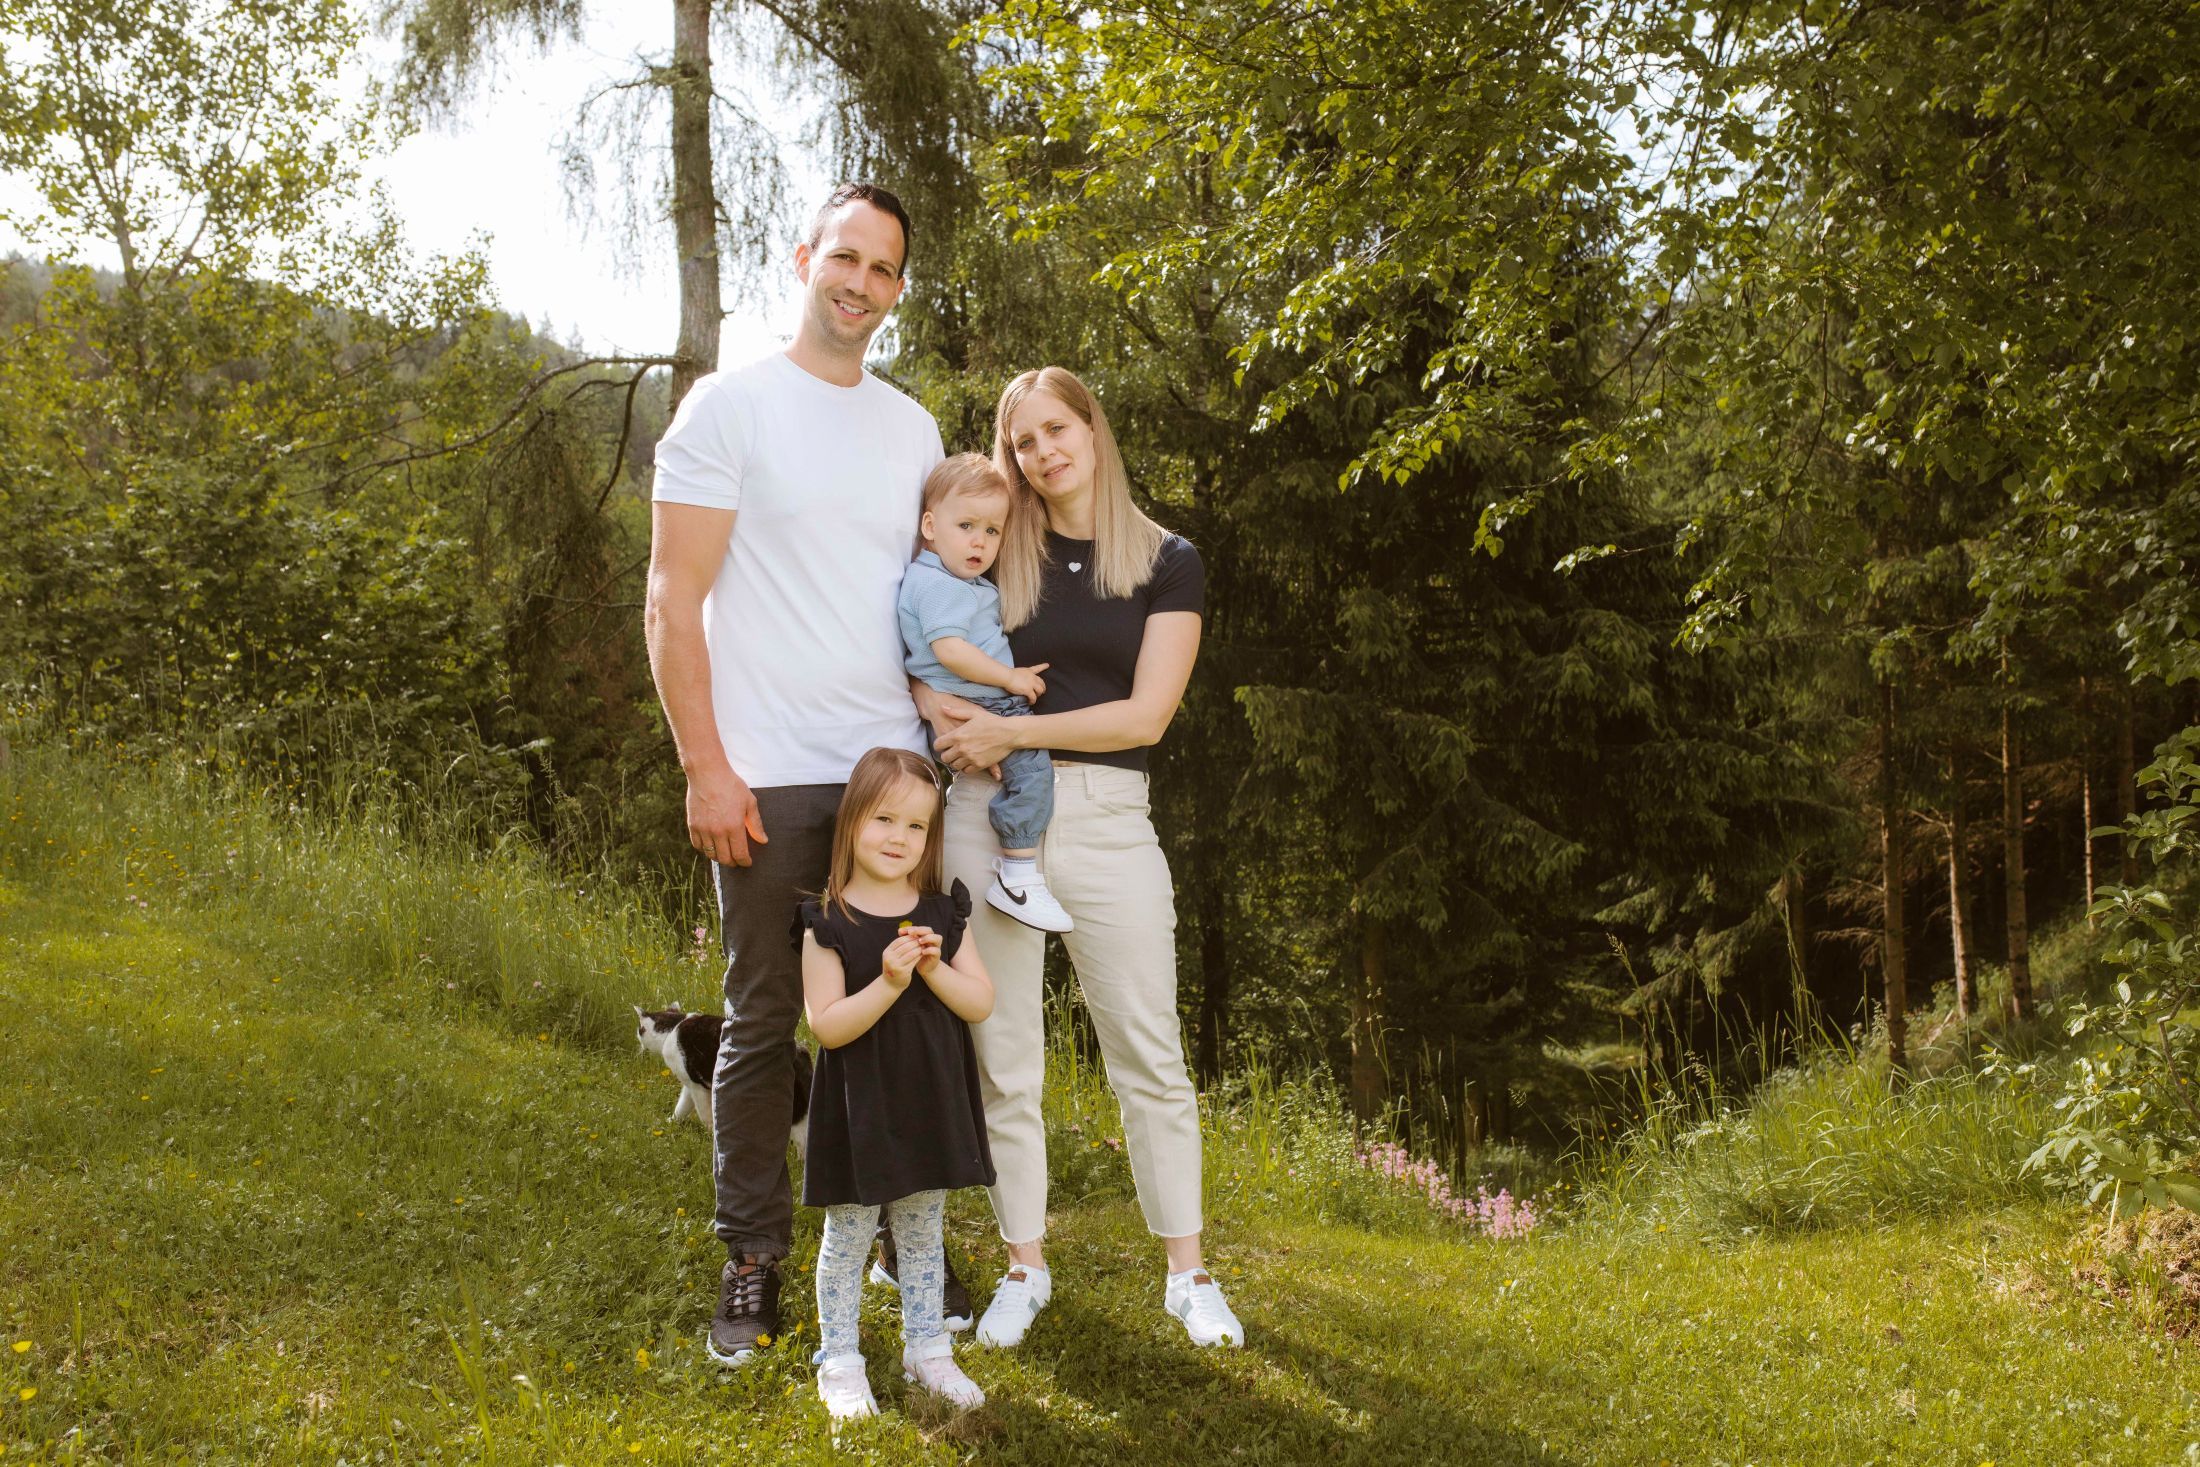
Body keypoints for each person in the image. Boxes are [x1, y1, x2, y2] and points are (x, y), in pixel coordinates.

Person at [644, 181, 974, 1366]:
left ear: (895, 289)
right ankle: (752, 1259)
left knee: (895, 1009)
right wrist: (705, 766)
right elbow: (672, 596)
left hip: (888, 773)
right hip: (770, 772)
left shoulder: (914, 429)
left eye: (884, 270)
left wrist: (948, 716)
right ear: (804, 259)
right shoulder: (726, 409)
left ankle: (894, 1239)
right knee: (766, 1019)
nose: (861, 284)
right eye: (845, 257)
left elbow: (928, 599)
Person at [931, 366, 1245, 1350]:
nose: (1042, 453)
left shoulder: (1165, 558)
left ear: (1092, 429)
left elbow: (1147, 714)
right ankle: (1025, 1264)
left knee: (1149, 1054)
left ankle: (1187, 1275)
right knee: (1004, 1060)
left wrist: (1015, 737)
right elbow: (927, 642)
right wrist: (950, 727)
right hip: (983, 819)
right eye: (1023, 443)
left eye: (1056, 430)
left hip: (1108, 820)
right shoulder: (994, 548)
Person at [797, 747, 996, 1420]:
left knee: (921, 1228)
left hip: (929, 1100)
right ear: (852, 819)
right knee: (849, 1234)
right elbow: (827, 1026)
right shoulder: (828, 921)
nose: (899, 837)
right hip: (861, 1108)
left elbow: (980, 1002)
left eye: (916, 826)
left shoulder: (941, 913)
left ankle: (927, 1347)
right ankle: (840, 1358)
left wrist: (935, 971)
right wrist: (888, 982)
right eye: (885, 818)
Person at [898, 453, 1071, 934]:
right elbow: (950, 650)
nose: (980, 540)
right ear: (930, 526)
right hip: (983, 702)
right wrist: (1009, 678)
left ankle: (1015, 869)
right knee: (1033, 772)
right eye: (967, 525)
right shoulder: (939, 585)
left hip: (975, 700)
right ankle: (1017, 875)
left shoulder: (953, 580)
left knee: (1022, 772)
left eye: (992, 531)